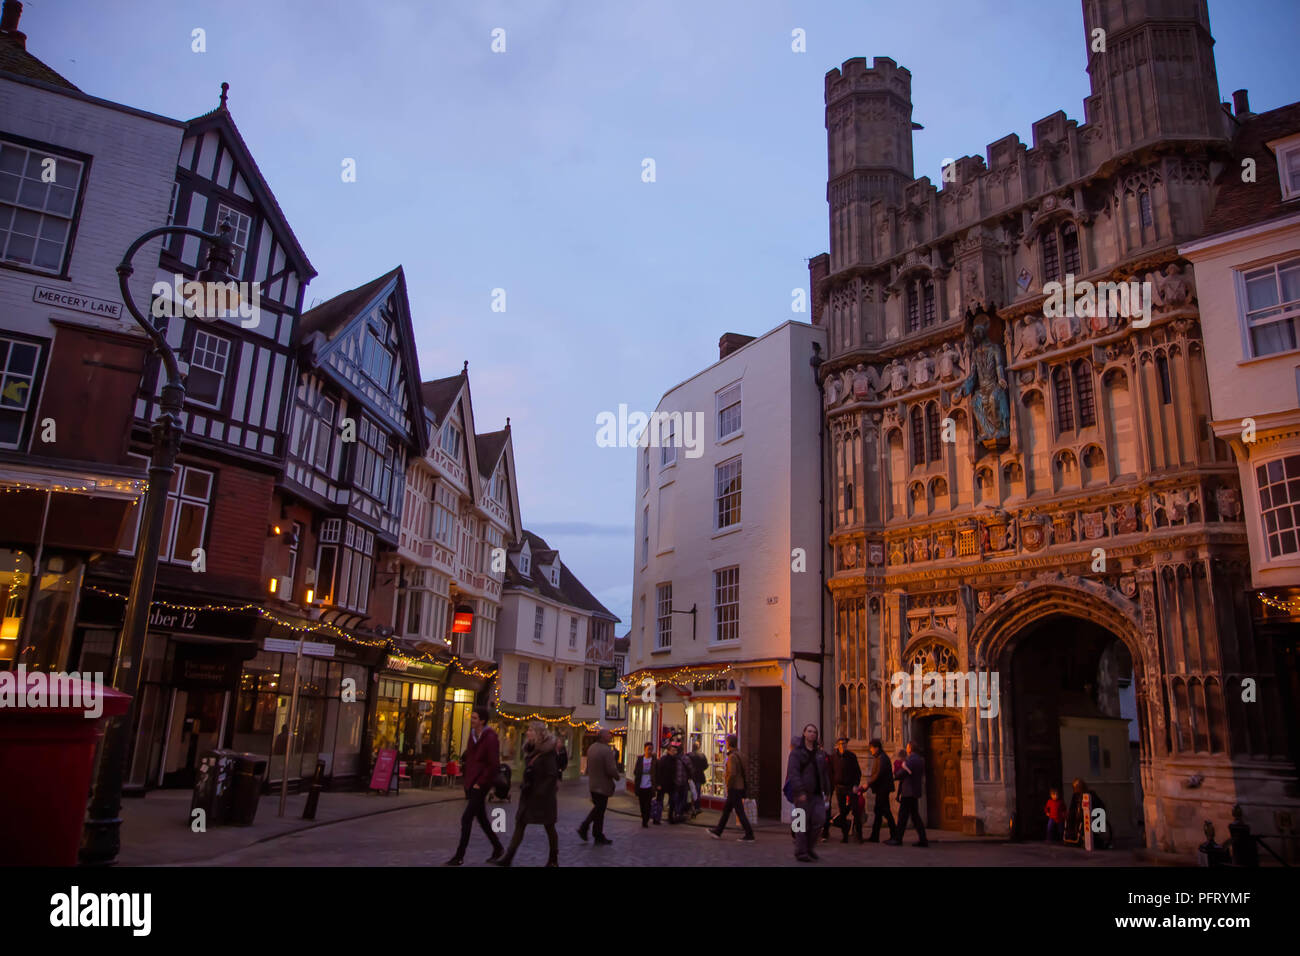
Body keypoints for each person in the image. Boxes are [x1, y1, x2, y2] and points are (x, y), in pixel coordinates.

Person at [444, 705, 505, 866]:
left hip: (481, 783)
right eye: (472, 717)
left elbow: (493, 764)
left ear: (482, 721)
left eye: (475, 718)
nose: (472, 720)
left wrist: (481, 782)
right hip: (472, 781)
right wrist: (468, 780)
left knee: (466, 818)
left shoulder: (490, 737)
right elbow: (471, 759)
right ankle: (498, 847)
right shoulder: (472, 736)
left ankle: (459, 856)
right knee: (482, 819)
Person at [494, 721, 560, 867]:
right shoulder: (531, 750)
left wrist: (540, 793)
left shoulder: (547, 753)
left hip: (543, 797)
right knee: (520, 823)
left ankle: (553, 858)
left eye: (530, 730)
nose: (528, 732)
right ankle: (508, 857)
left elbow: (551, 776)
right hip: (529, 793)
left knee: (549, 826)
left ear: (538, 734)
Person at [785, 723, 831, 863]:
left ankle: (809, 848)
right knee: (801, 824)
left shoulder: (820, 754)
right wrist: (799, 791)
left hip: (817, 794)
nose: (812, 734)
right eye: (809, 731)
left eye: (814, 732)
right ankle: (801, 852)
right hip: (802, 794)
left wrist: (827, 790)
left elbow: (824, 773)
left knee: (819, 820)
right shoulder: (797, 753)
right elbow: (793, 773)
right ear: (804, 733)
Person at [708, 734, 755, 842]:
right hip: (740, 787)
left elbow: (732, 773)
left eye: (727, 742)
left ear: (729, 743)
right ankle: (718, 831)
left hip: (734, 788)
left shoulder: (732, 757)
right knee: (727, 810)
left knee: (739, 811)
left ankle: (749, 833)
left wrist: (728, 784)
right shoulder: (741, 755)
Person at [578, 729, 620, 846]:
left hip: (593, 784)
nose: (610, 736)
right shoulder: (606, 750)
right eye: (608, 735)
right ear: (603, 737)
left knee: (599, 809)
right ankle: (585, 826)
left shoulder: (592, 748)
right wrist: (617, 776)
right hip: (603, 784)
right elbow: (610, 769)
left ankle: (597, 834)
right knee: (599, 809)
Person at [887, 741, 928, 847]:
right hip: (914, 791)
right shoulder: (919, 759)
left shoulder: (912, 760)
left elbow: (904, 772)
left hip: (908, 791)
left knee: (903, 816)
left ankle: (898, 838)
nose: (906, 748)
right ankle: (923, 839)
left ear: (910, 748)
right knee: (915, 817)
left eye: (907, 747)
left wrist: (895, 775)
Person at [830, 736, 863, 843]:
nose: (843, 746)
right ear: (837, 745)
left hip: (850, 787)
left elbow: (858, 773)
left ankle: (859, 835)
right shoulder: (834, 757)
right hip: (839, 788)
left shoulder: (851, 756)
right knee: (843, 812)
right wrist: (834, 785)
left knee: (856, 811)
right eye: (841, 744)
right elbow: (831, 772)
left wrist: (856, 785)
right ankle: (845, 836)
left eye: (844, 744)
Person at [864, 738, 897, 843]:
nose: (871, 750)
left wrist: (868, 783)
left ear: (877, 748)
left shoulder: (882, 758)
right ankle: (875, 836)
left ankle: (894, 835)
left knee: (885, 812)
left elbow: (879, 774)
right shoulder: (879, 757)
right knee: (878, 812)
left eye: (872, 748)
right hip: (880, 789)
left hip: (883, 789)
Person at [1064, 777, 1109, 848]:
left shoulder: (1090, 794)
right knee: (1072, 819)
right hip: (1081, 814)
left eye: (1078, 786)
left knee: (1087, 824)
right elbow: (1072, 807)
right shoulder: (1075, 795)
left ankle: (1093, 840)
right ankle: (1073, 837)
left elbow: (1097, 806)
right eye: (1075, 787)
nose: (1076, 788)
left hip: (1093, 814)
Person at [631, 742, 658, 827]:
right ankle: (643, 817)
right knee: (642, 804)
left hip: (650, 785)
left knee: (648, 804)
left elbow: (657, 772)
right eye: (648, 749)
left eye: (651, 749)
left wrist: (657, 784)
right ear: (645, 750)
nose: (649, 751)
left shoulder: (654, 760)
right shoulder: (640, 759)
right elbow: (635, 771)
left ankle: (645, 820)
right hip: (641, 785)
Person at [656, 745, 680, 823]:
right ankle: (657, 818)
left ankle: (670, 817)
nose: (674, 752)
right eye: (673, 750)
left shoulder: (676, 760)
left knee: (672, 801)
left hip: (672, 784)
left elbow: (677, 772)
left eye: (675, 751)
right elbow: (659, 771)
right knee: (660, 801)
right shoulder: (663, 760)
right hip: (663, 783)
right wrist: (658, 784)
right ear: (668, 751)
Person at [688, 743, 708, 815]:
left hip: (691, 777)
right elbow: (706, 766)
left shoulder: (689, 755)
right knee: (697, 792)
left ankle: (690, 806)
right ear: (699, 747)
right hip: (699, 776)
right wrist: (700, 769)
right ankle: (697, 807)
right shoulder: (702, 755)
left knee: (690, 792)